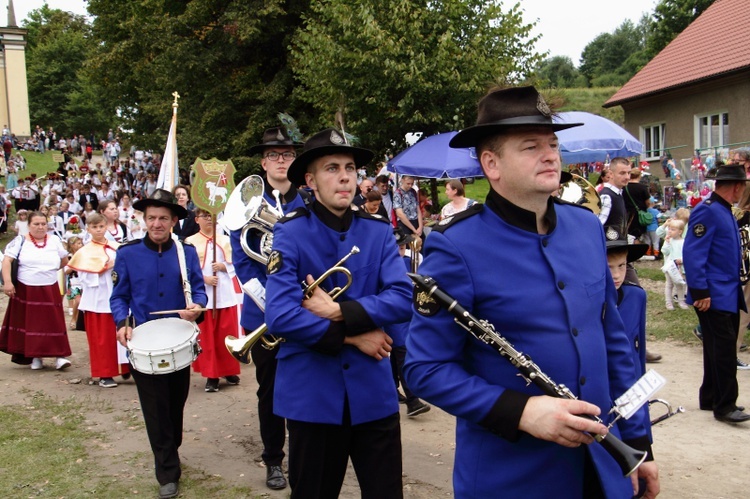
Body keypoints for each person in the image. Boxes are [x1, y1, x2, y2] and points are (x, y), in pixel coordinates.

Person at [403, 86, 659, 498]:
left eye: (553, 143)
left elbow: (616, 345)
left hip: (604, 468)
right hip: (512, 478)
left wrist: (639, 444)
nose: (550, 155)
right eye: (530, 146)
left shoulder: (586, 228)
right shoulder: (456, 246)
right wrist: (522, 412)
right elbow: (425, 369)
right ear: (492, 163)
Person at [265, 128, 413, 498]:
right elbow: (280, 315)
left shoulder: (378, 232)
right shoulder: (290, 233)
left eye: (350, 167)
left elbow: (401, 299)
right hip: (312, 396)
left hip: (373, 395)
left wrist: (338, 310)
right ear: (311, 181)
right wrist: (352, 334)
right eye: (332, 168)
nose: (345, 176)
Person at [110, 189, 207, 498]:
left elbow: (200, 290)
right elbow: (119, 297)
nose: (156, 223)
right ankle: (166, 470)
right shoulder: (128, 253)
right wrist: (122, 324)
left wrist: (197, 307)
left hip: (178, 339)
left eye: (163, 218)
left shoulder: (186, 252)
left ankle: (171, 448)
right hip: (144, 343)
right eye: (151, 218)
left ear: (174, 220)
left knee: (175, 403)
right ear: (144, 219)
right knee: (154, 408)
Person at [229, 126, 307, 491]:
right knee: (270, 389)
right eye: (274, 155)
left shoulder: (308, 203)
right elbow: (243, 263)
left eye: (287, 154)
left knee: (308, 384)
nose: (281, 160)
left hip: (309, 306)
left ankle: (307, 455)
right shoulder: (246, 202)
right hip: (264, 313)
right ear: (263, 162)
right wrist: (274, 303)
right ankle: (273, 459)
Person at [684, 164, 750, 423]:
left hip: (726, 293)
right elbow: (693, 253)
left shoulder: (723, 211)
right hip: (713, 293)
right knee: (723, 350)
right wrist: (700, 291)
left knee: (715, 347)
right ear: (737, 187)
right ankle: (725, 406)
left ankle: (710, 396)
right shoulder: (708, 211)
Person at [0, 211, 72, 370]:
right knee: (32, 324)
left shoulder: (54, 240)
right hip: (26, 288)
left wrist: (47, 270)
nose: (40, 227)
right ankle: (35, 356)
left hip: (50, 286)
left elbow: (64, 260)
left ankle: (60, 356)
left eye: (43, 224)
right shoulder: (19, 241)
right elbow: (6, 261)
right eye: (36, 224)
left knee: (54, 322)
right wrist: (8, 282)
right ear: (29, 226)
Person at [68, 214, 130, 387]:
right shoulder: (84, 252)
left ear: (106, 227)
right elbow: (84, 278)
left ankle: (125, 367)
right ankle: (104, 373)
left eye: (101, 226)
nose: (98, 230)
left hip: (118, 295)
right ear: (88, 229)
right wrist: (104, 268)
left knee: (123, 333)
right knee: (102, 339)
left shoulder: (116, 247)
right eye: (94, 227)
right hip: (98, 299)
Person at [186, 208, 241, 393]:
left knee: (226, 334)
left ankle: (229, 370)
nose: (209, 219)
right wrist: (204, 278)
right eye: (205, 216)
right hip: (205, 298)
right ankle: (212, 375)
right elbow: (186, 270)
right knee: (208, 337)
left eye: (211, 216)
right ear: (197, 219)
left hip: (224, 294)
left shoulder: (224, 239)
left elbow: (236, 264)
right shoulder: (191, 242)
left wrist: (224, 267)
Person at [661, 219, 689, 311]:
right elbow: (665, 251)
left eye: (673, 229)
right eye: (669, 229)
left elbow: (688, 253)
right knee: (669, 285)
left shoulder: (684, 242)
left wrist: (682, 260)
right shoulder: (669, 240)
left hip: (681, 267)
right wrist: (667, 243)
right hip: (670, 267)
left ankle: (681, 301)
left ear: (680, 231)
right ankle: (668, 302)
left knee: (681, 285)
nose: (669, 231)